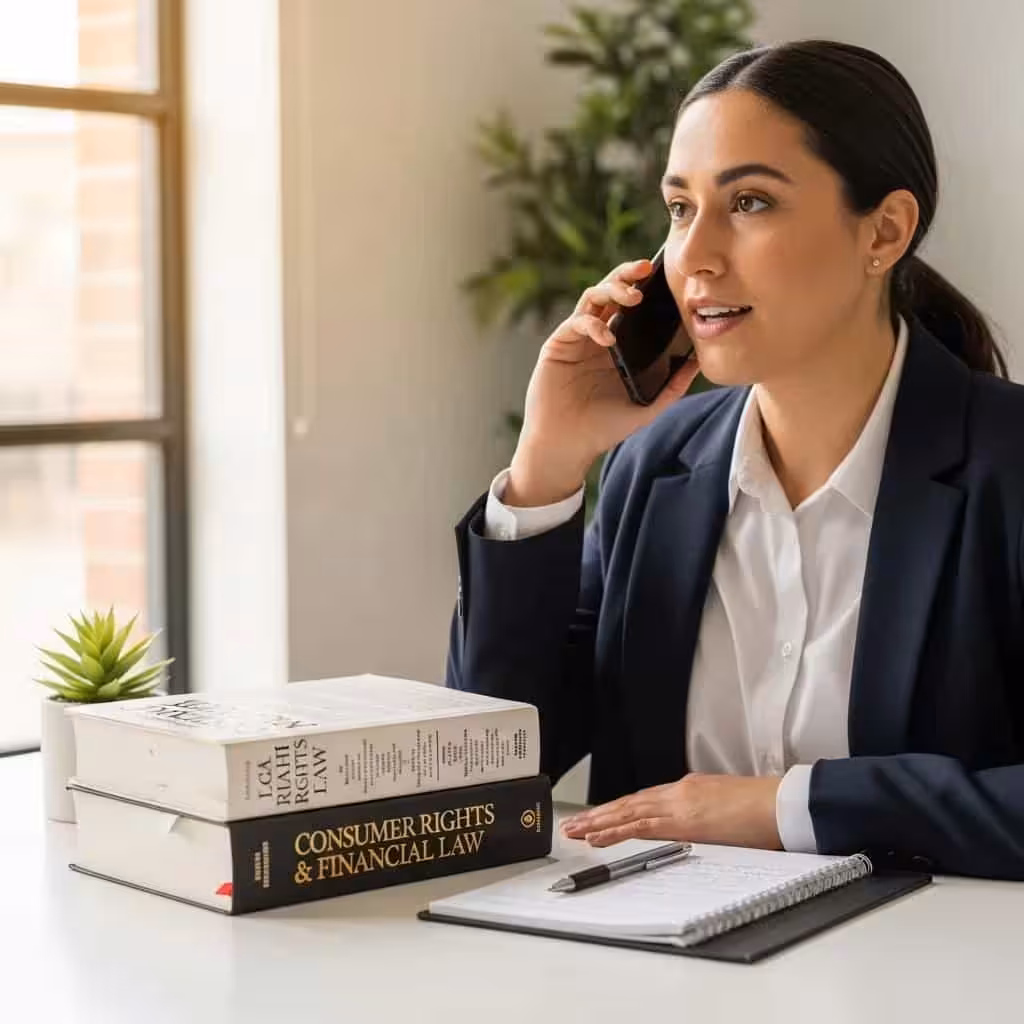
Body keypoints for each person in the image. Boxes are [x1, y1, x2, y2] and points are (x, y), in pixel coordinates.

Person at [445, 39, 1024, 880]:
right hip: (657, 972)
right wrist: (545, 466)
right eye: (680, 209)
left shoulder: (1005, 468)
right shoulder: (657, 469)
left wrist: (787, 805)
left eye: (749, 202)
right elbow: (486, 769)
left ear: (886, 230)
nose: (695, 256)